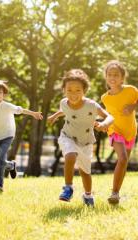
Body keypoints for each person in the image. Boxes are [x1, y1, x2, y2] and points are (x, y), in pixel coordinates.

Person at [48, 69, 114, 207]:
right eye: (69, 90)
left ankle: (88, 195)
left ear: (84, 90)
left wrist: (104, 124)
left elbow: (109, 116)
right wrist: (55, 116)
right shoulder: (64, 103)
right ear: (64, 90)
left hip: (86, 141)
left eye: (78, 90)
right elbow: (64, 110)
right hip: (68, 136)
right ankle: (68, 187)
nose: (73, 94)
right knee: (70, 156)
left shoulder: (91, 105)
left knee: (85, 172)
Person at [0, 80, 43, 193]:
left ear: (4, 94)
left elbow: (20, 110)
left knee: (0, 158)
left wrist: (34, 114)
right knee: (0, 161)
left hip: (7, 135)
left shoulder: (7, 106)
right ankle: (11, 165)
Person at [100, 60, 138, 204]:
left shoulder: (130, 90)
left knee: (123, 162)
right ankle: (114, 193)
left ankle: (117, 193)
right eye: (109, 75)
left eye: (116, 75)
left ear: (122, 78)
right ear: (106, 77)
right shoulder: (104, 98)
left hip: (130, 131)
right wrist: (102, 124)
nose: (112, 77)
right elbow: (107, 114)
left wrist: (133, 107)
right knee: (123, 158)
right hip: (114, 130)